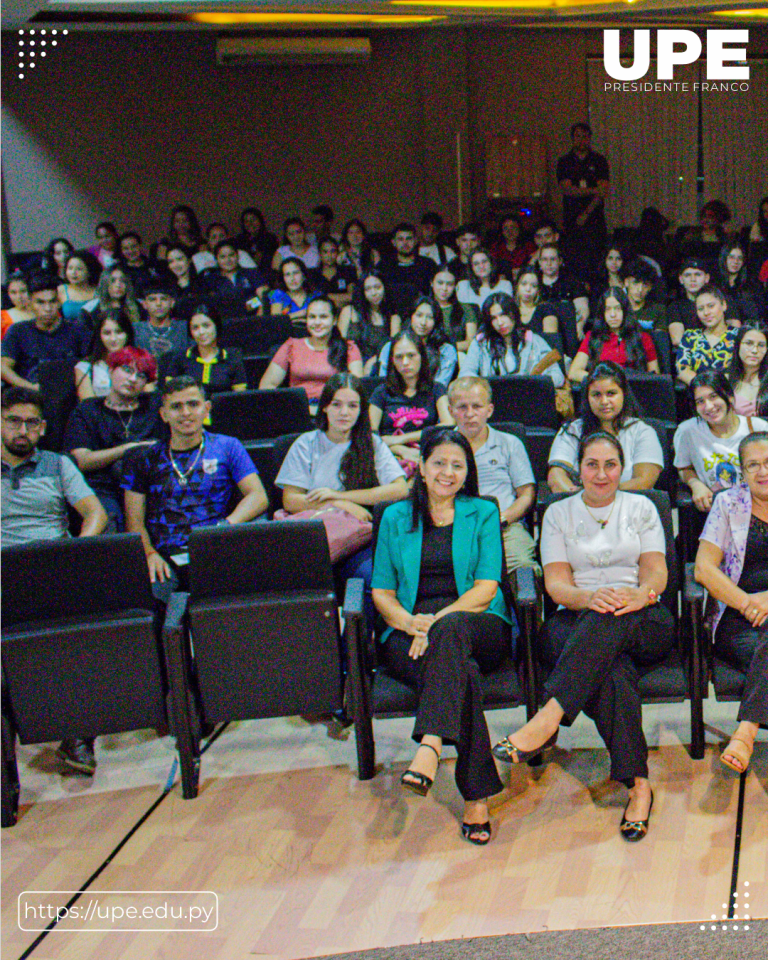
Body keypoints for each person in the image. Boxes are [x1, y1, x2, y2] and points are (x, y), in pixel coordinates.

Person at [494, 432, 674, 842]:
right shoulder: (559, 513)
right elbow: (557, 586)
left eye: (610, 464)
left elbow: (657, 574)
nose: (601, 474)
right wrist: (591, 597)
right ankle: (639, 786)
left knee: (611, 619)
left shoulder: (641, 507)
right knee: (612, 671)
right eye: (592, 464)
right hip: (575, 617)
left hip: (643, 616)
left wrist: (636, 596)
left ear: (622, 467)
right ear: (579, 469)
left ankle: (549, 715)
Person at [371, 427, 517, 844]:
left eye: (457, 465)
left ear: (468, 470)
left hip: (477, 623)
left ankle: (431, 743)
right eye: (439, 463)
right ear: (421, 466)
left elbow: (486, 588)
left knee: (452, 634)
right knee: (461, 673)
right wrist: (405, 620)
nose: (448, 472)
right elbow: (381, 591)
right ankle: (476, 799)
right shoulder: (395, 516)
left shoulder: (482, 512)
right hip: (409, 631)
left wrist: (435, 621)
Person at [276, 372, 409, 633]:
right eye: (337, 404)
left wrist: (340, 497)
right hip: (314, 537)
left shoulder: (372, 444)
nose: (344, 413)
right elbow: (290, 500)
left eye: (352, 405)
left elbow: (400, 489)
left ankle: (363, 652)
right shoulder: (306, 444)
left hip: (358, 539)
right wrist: (341, 507)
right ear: (324, 406)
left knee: (371, 579)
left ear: (362, 410)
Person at [122, 376, 268, 604]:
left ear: (206, 408)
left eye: (193, 404)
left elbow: (258, 496)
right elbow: (134, 522)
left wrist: (224, 527)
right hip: (165, 555)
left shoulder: (228, 446)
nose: (186, 413)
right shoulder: (143, 458)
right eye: (176, 406)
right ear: (164, 414)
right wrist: (150, 554)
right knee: (149, 596)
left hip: (215, 546)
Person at [694, 431, 768, 774]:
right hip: (739, 619)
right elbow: (704, 569)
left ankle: (747, 729)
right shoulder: (728, 503)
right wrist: (748, 603)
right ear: (742, 470)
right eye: (753, 464)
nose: (762, 471)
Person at [65, 346, 162, 530]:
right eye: (127, 370)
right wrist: (127, 449)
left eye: (141, 376)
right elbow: (82, 460)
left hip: (150, 486)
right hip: (103, 487)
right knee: (109, 525)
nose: (133, 379)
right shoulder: (88, 409)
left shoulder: (154, 405)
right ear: (111, 370)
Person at [449, 376, 538, 575]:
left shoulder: (510, 443)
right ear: (451, 411)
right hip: (453, 529)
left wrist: (502, 519)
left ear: (489, 410)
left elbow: (526, 494)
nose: (469, 414)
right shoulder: (442, 448)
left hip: (504, 528)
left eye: (477, 406)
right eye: (462, 407)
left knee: (523, 566)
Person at [2, 386, 107, 547]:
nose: (23, 431)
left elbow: (96, 513)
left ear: (42, 427)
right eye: (14, 421)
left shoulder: (59, 464)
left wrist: (76, 549)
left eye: (32, 422)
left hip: (53, 558)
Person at [549, 361, 663, 493]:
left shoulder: (643, 432)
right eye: (596, 395)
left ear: (624, 395)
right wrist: (582, 500)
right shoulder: (571, 431)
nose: (604, 402)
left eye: (611, 393)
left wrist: (599, 496)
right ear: (587, 397)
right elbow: (555, 477)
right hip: (579, 508)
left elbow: (644, 482)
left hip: (629, 508)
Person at [674, 370, 768, 514]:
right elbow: (683, 468)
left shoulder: (758, 428)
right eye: (700, 401)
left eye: (714, 397)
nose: (709, 406)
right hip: (716, 511)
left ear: (729, 396)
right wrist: (696, 484)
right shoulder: (687, 431)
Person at [368, 329, 453, 476]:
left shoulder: (437, 389)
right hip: (388, 456)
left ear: (422, 357)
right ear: (392, 361)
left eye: (411, 355)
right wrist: (400, 449)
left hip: (427, 453)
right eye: (399, 357)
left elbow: (448, 424)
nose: (405, 362)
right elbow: (370, 434)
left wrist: (403, 438)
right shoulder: (381, 392)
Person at [259, 296, 363, 413]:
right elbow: (267, 385)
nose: (317, 322)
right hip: (297, 411)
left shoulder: (349, 348)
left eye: (323, 317)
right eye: (312, 317)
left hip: (334, 412)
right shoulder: (291, 346)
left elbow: (357, 391)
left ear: (334, 320)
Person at [1, 272, 86, 390]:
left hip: (71, 394)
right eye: (40, 302)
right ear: (30, 303)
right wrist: (30, 387)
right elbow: (3, 367)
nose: (47, 309)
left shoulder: (77, 330)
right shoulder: (18, 331)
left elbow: (90, 365)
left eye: (52, 301)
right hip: (30, 397)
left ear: (59, 302)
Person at [464, 292, 565, 386]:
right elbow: (465, 375)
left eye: (503, 315)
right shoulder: (480, 342)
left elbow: (558, 377)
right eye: (493, 318)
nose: (500, 323)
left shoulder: (533, 340)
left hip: (528, 399)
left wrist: (532, 383)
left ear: (514, 313)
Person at [568, 286, 659, 383]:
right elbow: (574, 372)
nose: (612, 314)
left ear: (625, 311)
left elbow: (655, 376)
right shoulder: (592, 336)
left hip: (634, 390)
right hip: (602, 390)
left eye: (618, 308)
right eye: (607, 309)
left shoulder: (642, 337)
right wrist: (606, 381)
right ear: (602, 313)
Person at [556, 122, 610, 278]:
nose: (581, 140)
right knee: (574, 260)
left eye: (585, 136)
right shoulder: (565, 162)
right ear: (572, 138)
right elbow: (567, 190)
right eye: (578, 136)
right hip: (572, 218)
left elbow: (603, 191)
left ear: (590, 138)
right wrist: (593, 190)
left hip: (594, 219)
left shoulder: (599, 161)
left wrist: (586, 213)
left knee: (597, 261)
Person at [163, 302, 247, 398]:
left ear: (217, 326)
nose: (201, 332)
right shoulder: (181, 358)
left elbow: (239, 398)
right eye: (195, 328)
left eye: (206, 326)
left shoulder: (232, 358)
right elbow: (170, 396)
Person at [376, 296, 458, 388]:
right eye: (419, 315)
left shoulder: (446, 350)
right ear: (411, 317)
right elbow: (382, 384)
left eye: (430, 317)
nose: (423, 322)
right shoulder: (390, 347)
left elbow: (440, 387)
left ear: (436, 321)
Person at [337, 269, 401, 373]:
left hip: (377, 368)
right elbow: (338, 345)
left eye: (377, 287)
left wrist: (373, 361)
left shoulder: (393, 318)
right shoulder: (348, 312)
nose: (374, 293)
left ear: (385, 288)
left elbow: (392, 350)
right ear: (362, 292)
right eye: (368, 289)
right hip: (347, 365)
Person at [676, 285, 738, 385]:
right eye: (700, 309)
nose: (706, 312)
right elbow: (682, 370)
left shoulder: (739, 336)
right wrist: (706, 388)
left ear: (724, 305)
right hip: (698, 394)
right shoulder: (690, 337)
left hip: (732, 393)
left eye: (711, 306)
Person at [75, 308, 135, 400]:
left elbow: (149, 400)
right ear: (99, 335)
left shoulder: (141, 364)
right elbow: (87, 407)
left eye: (119, 332)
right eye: (107, 333)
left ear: (128, 334)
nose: (113, 339)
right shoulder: (85, 368)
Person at [378, 222, 436, 313]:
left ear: (416, 241)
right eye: (400, 239)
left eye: (409, 239)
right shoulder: (383, 266)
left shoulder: (428, 265)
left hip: (422, 314)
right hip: (390, 314)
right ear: (393, 242)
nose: (405, 243)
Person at [203, 240, 267, 319]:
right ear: (216, 259)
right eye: (223, 257)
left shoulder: (252, 273)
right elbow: (214, 307)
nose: (228, 260)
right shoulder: (211, 280)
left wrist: (256, 319)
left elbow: (264, 297)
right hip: (225, 324)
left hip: (254, 320)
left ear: (238, 256)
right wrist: (245, 306)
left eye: (231, 255)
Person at [537, 243, 590, 338]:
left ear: (560, 261)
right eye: (545, 260)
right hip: (539, 330)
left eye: (553, 259)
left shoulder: (572, 282)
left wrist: (580, 326)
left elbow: (582, 308)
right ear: (539, 262)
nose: (549, 263)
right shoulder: (534, 282)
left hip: (568, 329)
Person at [134, 281, 190, 361]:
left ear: (172, 303)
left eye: (163, 299)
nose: (158, 304)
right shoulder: (136, 330)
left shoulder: (184, 328)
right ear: (144, 304)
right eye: (153, 299)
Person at [430, 262, 477, 353]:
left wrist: (445, 348)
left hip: (459, 357)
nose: (444, 288)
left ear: (455, 286)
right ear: (432, 283)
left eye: (449, 284)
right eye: (440, 283)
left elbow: (471, 342)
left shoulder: (466, 309)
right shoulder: (423, 307)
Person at [667, 258, 711, 347]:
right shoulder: (675, 307)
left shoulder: (717, 303)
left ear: (707, 278)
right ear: (681, 279)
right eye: (687, 275)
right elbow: (677, 339)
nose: (693, 279)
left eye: (697, 274)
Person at [81, 264, 142, 329]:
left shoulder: (138, 306)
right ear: (105, 284)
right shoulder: (90, 310)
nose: (118, 285)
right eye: (113, 281)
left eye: (123, 281)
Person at [717, 241, 763, 324]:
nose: (736, 261)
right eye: (731, 257)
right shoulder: (716, 284)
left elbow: (756, 315)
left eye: (740, 258)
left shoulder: (751, 285)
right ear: (724, 259)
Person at [727, 325, 768, 417]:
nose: (754, 350)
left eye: (761, 345)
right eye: (749, 343)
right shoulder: (724, 379)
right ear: (738, 345)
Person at [308, 237, 356, 310]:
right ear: (320, 253)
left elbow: (352, 296)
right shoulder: (312, 273)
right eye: (325, 251)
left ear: (337, 252)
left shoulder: (348, 270)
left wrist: (324, 296)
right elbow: (311, 298)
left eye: (333, 251)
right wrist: (339, 299)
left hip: (344, 311)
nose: (329, 255)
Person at [621, 258, 668, 333]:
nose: (640, 289)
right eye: (636, 283)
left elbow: (660, 342)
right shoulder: (617, 309)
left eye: (645, 285)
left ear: (650, 287)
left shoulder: (658, 310)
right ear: (626, 282)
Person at [268, 256, 317, 325]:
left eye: (296, 273)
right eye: (287, 275)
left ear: (304, 275)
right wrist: (301, 313)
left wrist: (288, 319)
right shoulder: (278, 295)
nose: (292, 279)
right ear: (283, 278)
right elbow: (276, 321)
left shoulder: (314, 295)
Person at [514, 267, 558, 336]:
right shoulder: (510, 309)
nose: (528, 289)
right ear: (517, 286)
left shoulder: (547, 309)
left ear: (538, 290)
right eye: (524, 284)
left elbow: (551, 341)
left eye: (533, 286)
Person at [57, 251, 100, 321]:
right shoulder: (61, 290)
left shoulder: (99, 291)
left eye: (79, 269)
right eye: (70, 268)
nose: (73, 273)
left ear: (89, 272)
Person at [164, 245, 202, 322]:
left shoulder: (203, 284)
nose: (176, 265)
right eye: (171, 261)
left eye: (179, 259)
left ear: (189, 260)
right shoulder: (167, 289)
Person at [490, 213, 534, 278]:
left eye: (513, 227)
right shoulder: (495, 248)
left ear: (519, 228)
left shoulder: (529, 247)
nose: (509, 231)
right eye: (506, 228)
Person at [234, 206, 278, 272]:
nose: (250, 224)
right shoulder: (239, 240)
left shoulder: (270, 238)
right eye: (246, 221)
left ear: (260, 220)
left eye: (253, 220)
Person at [1, 273, 34, 339]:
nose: (19, 297)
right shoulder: (3, 317)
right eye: (13, 293)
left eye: (23, 291)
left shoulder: (43, 312)